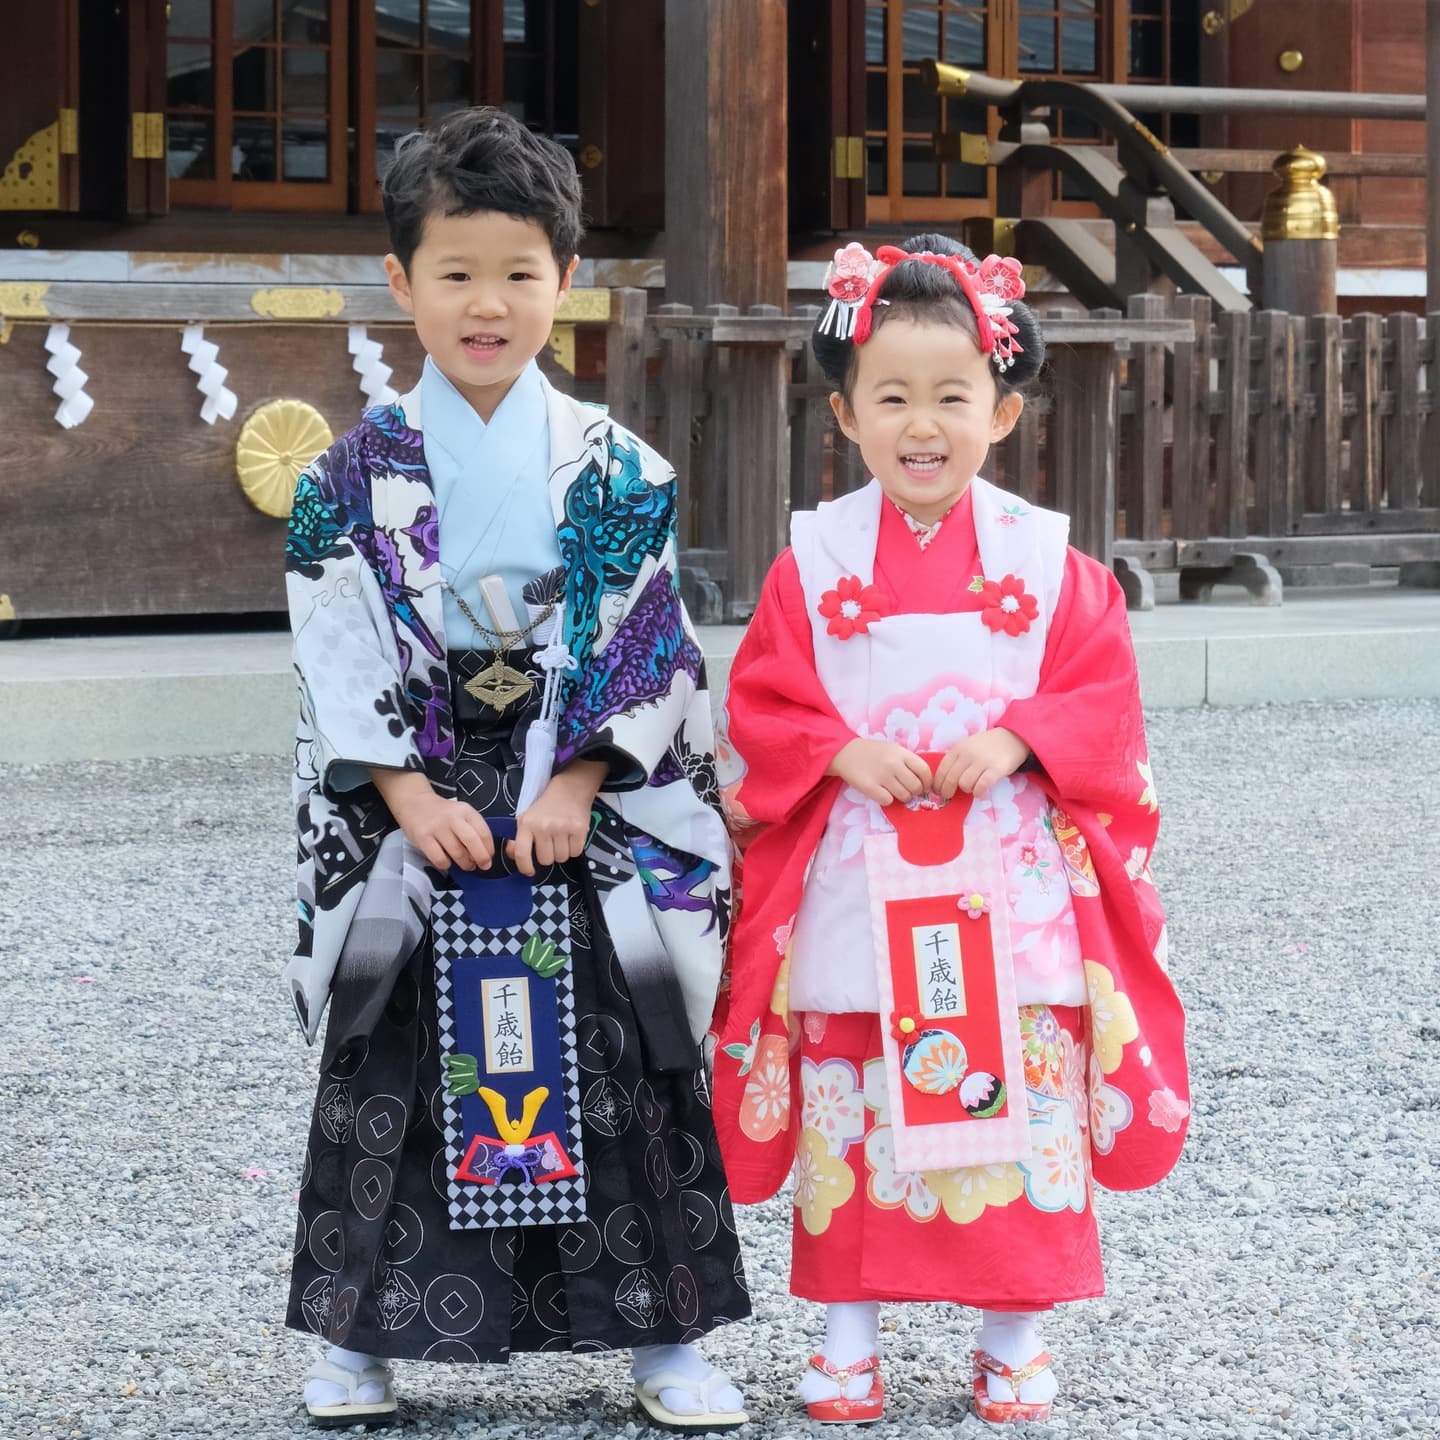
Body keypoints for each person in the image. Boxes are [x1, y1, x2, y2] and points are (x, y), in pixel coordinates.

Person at [282, 107, 749, 1429]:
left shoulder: (617, 469)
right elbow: (333, 641)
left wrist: (576, 784)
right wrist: (409, 795)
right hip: (415, 805)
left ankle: (666, 1341)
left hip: (572, 799)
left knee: (626, 1058)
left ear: (567, 279)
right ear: (400, 282)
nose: (488, 304)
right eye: (456, 273)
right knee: (400, 1064)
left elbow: (637, 632)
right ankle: (360, 1342)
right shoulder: (345, 480)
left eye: (519, 273)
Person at [710, 235, 1189, 1424]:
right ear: (845, 412)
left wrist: (1024, 736)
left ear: (1004, 411)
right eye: (892, 397)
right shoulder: (812, 562)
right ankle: (845, 1340)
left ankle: (1013, 1335)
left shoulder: (1049, 559)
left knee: (1011, 1105)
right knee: (855, 1101)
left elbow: (1100, 693)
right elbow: (765, 700)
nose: (922, 426)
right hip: (863, 871)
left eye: (951, 397)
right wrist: (833, 748)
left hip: (1004, 878)